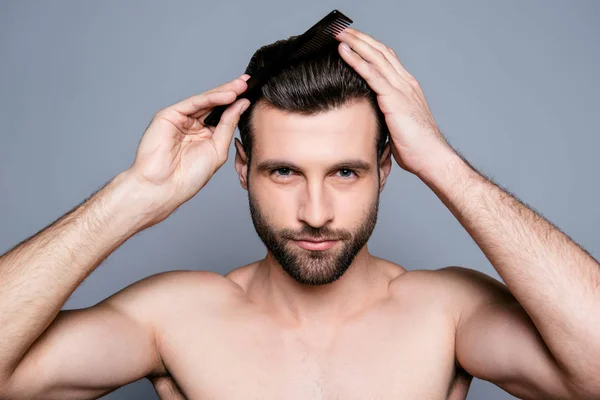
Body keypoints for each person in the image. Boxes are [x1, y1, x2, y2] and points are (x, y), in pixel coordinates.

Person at [0, 26, 599, 400]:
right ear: (242, 168)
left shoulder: (447, 313)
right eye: (283, 172)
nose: (316, 213)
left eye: (346, 172)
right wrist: (134, 194)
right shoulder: (174, 316)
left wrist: (445, 165)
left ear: (386, 168)